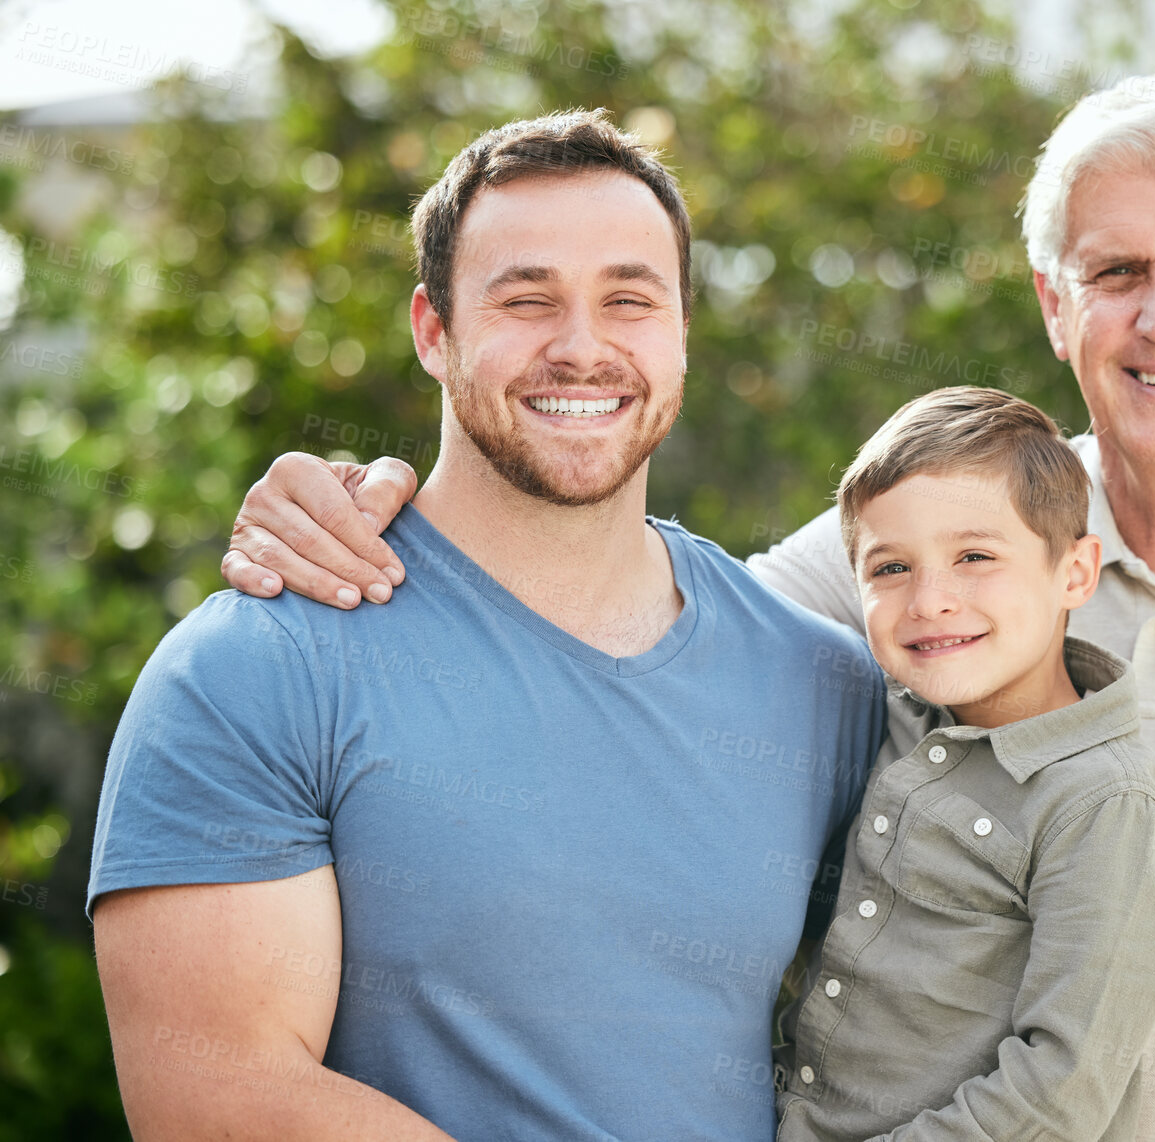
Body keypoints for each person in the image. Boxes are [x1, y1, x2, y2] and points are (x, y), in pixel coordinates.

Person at [219, 64, 1155, 1140]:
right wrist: (363, 491)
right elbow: (623, 591)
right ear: (1053, 302)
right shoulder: (941, 553)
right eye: (1113, 271)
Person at [87, 109, 885, 1141]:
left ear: (682, 328)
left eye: (629, 300)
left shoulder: (822, 681)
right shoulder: (259, 665)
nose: (581, 347)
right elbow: (218, 1100)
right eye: (527, 298)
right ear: (433, 329)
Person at [773, 386, 1155, 1140]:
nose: (931, 600)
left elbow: (1059, 1087)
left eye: (975, 556)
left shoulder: (1104, 805)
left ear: (1074, 573)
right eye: (890, 568)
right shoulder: (887, 716)